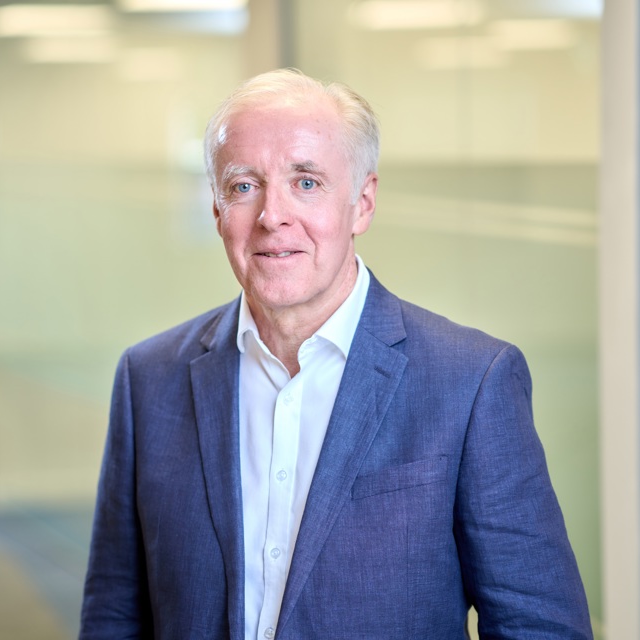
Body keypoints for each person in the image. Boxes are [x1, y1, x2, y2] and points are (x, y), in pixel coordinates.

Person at [79, 68, 592, 640]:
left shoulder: (470, 383)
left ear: (362, 203)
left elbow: (539, 626)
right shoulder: (148, 380)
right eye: (244, 185)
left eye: (306, 182)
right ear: (218, 209)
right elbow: (114, 615)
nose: (273, 216)